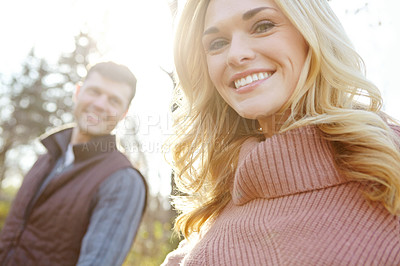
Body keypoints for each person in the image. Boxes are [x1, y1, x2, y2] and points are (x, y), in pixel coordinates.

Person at [162, 0, 400, 265]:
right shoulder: (211, 218)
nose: (235, 55)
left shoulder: (390, 159)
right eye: (217, 43)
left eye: (263, 26)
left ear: (310, 34)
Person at [0, 61, 147, 266]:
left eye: (114, 100)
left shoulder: (123, 181)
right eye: (95, 91)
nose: (100, 104)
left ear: (124, 114)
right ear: (77, 92)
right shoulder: (45, 159)